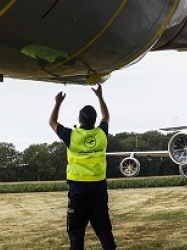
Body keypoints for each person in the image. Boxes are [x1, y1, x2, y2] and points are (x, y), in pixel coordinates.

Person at [50, 84, 117, 250]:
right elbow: (106, 115)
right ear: (94, 120)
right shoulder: (101, 134)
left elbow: (52, 122)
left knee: (76, 234)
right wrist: (100, 96)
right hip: (98, 191)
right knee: (104, 230)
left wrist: (58, 103)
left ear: (79, 120)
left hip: (78, 192)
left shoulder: (72, 136)